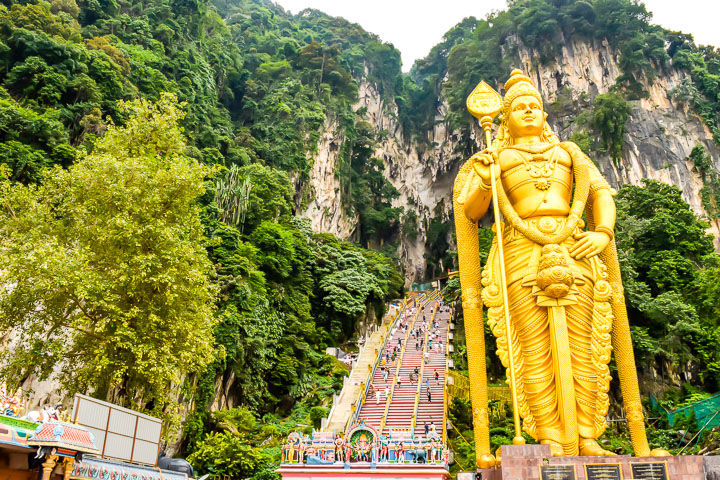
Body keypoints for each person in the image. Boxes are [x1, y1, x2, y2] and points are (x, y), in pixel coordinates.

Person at [455, 69, 650, 457]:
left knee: (586, 345)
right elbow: (470, 211)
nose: (529, 112)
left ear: (545, 116)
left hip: (574, 245)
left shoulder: (570, 154)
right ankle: (548, 438)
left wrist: (604, 232)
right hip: (519, 251)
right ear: (506, 118)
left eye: (535, 106)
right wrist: (484, 176)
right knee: (531, 348)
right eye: (520, 108)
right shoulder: (499, 156)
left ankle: (587, 436)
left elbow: (601, 196)